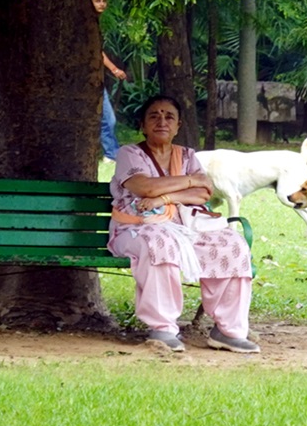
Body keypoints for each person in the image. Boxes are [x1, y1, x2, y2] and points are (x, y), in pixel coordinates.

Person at [108, 95, 260, 354]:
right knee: (159, 243)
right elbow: (144, 187)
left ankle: (228, 331)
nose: (162, 121)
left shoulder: (188, 155)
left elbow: (204, 193)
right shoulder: (129, 154)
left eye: (169, 116)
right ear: (143, 125)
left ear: (178, 126)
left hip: (187, 228)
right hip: (136, 229)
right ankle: (163, 328)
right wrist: (189, 181)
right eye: (153, 116)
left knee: (231, 243)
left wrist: (166, 197)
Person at [88, 0, 124, 163]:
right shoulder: (86, 24)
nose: (101, 4)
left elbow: (98, 52)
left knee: (108, 119)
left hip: (95, 80)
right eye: (97, 1)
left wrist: (114, 70)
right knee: (107, 119)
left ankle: (112, 154)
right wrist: (114, 69)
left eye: (103, 1)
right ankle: (111, 154)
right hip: (86, 81)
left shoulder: (94, 23)